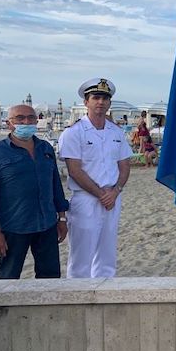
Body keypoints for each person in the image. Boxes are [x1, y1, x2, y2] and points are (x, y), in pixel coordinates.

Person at [0, 105, 69, 279]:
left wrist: (62, 218)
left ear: (36, 120)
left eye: (30, 118)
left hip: (47, 224)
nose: (26, 122)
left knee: (50, 277)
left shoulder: (45, 149)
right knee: (9, 276)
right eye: (20, 118)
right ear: (9, 123)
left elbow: (55, 186)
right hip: (13, 226)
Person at [58, 78, 133, 278]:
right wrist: (102, 194)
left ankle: (105, 296)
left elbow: (124, 165)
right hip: (86, 198)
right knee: (81, 257)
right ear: (86, 102)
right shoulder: (73, 133)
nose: (101, 102)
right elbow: (74, 170)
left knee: (107, 255)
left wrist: (115, 191)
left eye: (105, 98)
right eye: (96, 97)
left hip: (113, 197)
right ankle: (78, 299)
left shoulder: (116, 132)